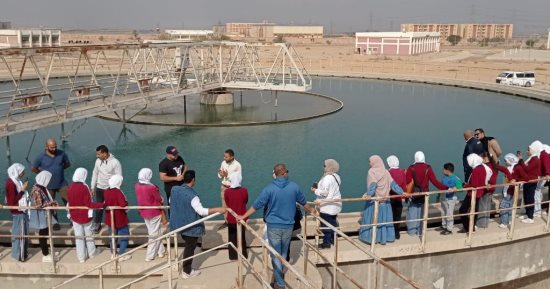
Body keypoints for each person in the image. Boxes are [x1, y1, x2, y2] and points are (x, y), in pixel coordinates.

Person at [238, 164, 311, 289]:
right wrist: (312, 211)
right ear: (283, 173)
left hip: (273, 226)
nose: (288, 173)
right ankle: (280, 276)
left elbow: (257, 205)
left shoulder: (269, 189)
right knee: (283, 252)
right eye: (287, 171)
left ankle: (280, 283)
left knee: (274, 254)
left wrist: (243, 216)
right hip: (288, 225)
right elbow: (304, 202)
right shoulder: (294, 187)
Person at [170, 170, 226, 279]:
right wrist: (218, 209)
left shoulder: (174, 189)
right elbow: (201, 211)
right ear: (193, 180)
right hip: (191, 227)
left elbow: (171, 201)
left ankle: (185, 268)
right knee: (190, 248)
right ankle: (187, 271)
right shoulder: (193, 196)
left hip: (179, 224)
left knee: (188, 246)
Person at [359, 155, 404, 245]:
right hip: (386, 202)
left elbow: (372, 186)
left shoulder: (371, 172)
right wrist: (402, 193)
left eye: (370, 161)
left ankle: (372, 238)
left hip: (375, 202)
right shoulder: (386, 172)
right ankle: (384, 238)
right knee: (384, 221)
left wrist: (368, 195)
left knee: (373, 221)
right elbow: (393, 184)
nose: (369, 163)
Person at [405, 151, 448, 236]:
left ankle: (412, 232)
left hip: (414, 194)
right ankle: (421, 232)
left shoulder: (411, 168)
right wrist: (446, 188)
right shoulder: (428, 168)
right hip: (425, 195)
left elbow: (407, 182)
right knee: (422, 214)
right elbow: (435, 181)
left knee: (413, 213)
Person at [31, 138, 70, 230]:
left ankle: (72, 220)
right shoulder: (40, 157)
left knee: (69, 202)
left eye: (55, 147)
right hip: (48, 185)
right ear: (46, 146)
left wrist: (59, 169)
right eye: (52, 147)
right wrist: (42, 174)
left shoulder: (62, 154)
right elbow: (33, 168)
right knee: (51, 205)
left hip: (62, 183)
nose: (54, 149)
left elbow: (67, 164)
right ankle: (55, 222)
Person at [67, 168, 104, 263]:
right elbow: (88, 204)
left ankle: (81, 257)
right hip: (85, 216)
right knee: (89, 235)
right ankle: (92, 253)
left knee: (79, 237)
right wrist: (101, 205)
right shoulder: (84, 187)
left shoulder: (70, 187)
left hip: (74, 216)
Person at [135, 168, 166, 262]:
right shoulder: (152, 187)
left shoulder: (136, 186)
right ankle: (150, 255)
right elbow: (159, 199)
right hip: (154, 212)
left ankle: (161, 251)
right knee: (153, 234)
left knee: (155, 231)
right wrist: (162, 199)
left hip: (144, 212)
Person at [90, 145, 122, 234]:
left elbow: (119, 177)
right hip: (100, 188)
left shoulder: (115, 162)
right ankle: (97, 224)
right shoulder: (97, 161)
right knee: (99, 207)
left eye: (98, 154)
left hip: (110, 189)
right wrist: (92, 187)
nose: (97, 156)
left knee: (111, 208)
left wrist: (116, 190)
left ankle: (113, 225)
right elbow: (95, 173)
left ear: (104, 153)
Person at [310, 159, 342, 249]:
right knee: (333, 222)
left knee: (325, 225)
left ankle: (326, 243)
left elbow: (325, 193)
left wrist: (315, 190)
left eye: (324, 165)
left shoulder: (327, 178)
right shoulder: (336, 176)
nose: (323, 167)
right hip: (335, 205)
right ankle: (333, 239)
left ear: (329, 167)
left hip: (327, 206)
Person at [476, 152, 513, 228]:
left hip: (485, 188)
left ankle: (481, 224)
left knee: (482, 206)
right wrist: (511, 178)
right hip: (492, 189)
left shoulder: (485, 167)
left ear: (486, 158)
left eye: (482, 158)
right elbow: (505, 170)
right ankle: (485, 223)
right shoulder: (495, 166)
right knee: (487, 205)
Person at [29, 171, 58, 262]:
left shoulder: (40, 187)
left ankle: (48, 251)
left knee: (46, 233)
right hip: (41, 215)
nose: (49, 181)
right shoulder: (37, 190)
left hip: (44, 214)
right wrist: (51, 203)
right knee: (43, 234)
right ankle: (45, 254)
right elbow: (38, 205)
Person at [459, 154, 492, 233]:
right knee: (474, 210)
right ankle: (472, 227)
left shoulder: (476, 170)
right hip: (479, 193)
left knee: (462, 210)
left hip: (472, 193)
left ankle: (468, 227)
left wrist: (465, 185)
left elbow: (474, 184)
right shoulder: (482, 168)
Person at [5, 163, 29, 262]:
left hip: (19, 211)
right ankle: (20, 256)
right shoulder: (11, 183)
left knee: (19, 233)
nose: (23, 173)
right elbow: (12, 202)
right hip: (18, 212)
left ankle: (18, 254)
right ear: (17, 171)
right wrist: (23, 190)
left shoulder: (15, 181)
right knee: (21, 234)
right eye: (22, 171)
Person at [104, 175, 131, 261]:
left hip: (110, 218)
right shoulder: (118, 192)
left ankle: (113, 253)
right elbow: (123, 204)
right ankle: (121, 254)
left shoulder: (107, 191)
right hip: (120, 218)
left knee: (112, 237)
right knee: (124, 236)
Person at [515, 141, 543, 224]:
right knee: (526, 198)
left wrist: (521, 160)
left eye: (529, 149)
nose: (527, 151)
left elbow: (527, 169)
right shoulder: (532, 158)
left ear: (534, 150)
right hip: (527, 181)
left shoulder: (535, 159)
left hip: (531, 181)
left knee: (530, 198)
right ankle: (527, 214)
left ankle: (531, 217)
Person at [224, 172, 248, 260]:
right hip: (242, 217)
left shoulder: (227, 191)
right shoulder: (244, 190)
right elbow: (246, 201)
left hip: (231, 218)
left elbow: (227, 203)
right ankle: (243, 254)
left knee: (232, 237)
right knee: (242, 237)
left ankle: (233, 256)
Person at [218, 149, 242, 227]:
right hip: (224, 187)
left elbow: (239, 178)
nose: (224, 158)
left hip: (233, 188)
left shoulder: (237, 165)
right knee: (224, 205)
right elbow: (219, 174)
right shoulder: (223, 163)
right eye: (224, 156)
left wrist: (227, 175)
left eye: (226, 157)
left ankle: (234, 221)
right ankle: (226, 222)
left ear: (232, 157)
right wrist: (220, 174)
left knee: (233, 205)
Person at [158, 145, 187, 212]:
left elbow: (185, 166)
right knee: (173, 207)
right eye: (174, 154)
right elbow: (162, 178)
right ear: (168, 154)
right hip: (171, 189)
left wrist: (183, 174)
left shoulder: (179, 158)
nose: (176, 155)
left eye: (176, 153)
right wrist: (176, 178)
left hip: (182, 187)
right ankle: (173, 221)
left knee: (184, 204)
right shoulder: (163, 164)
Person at [499, 154, 523, 229]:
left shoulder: (511, 170)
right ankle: (509, 220)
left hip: (509, 191)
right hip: (512, 191)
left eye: (506, 161)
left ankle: (504, 222)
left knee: (504, 205)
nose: (505, 162)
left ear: (510, 160)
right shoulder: (514, 167)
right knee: (510, 205)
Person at [386, 155, 406, 240]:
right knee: (397, 216)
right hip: (399, 198)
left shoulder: (388, 172)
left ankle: (389, 234)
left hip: (390, 197)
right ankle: (397, 233)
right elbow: (404, 185)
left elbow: (387, 185)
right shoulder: (402, 172)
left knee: (389, 216)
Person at [439, 163, 462, 235]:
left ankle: (449, 229)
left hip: (451, 199)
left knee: (449, 213)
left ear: (447, 170)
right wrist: (438, 197)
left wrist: (455, 188)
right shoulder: (444, 177)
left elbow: (460, 188)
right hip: (443, 198)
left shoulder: (456, 178)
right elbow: (441, 187)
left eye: (444, 169)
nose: (443, 170)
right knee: (443, 212)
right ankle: (444, 225)